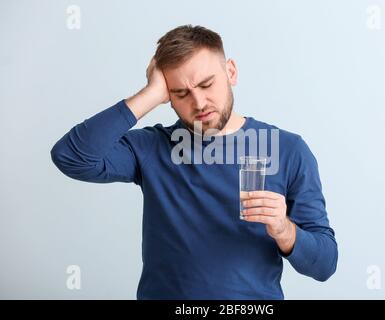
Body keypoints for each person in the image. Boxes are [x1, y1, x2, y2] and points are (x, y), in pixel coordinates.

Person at [50, 25, 338, 300]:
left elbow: (325, 264)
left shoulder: (287, 149)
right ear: (168, 98)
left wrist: (284, 231)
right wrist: (149, 95)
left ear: (231, 72)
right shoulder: (153, 147)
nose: (199, 103)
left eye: (206, 84)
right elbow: (71, 156)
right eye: (181, 93)